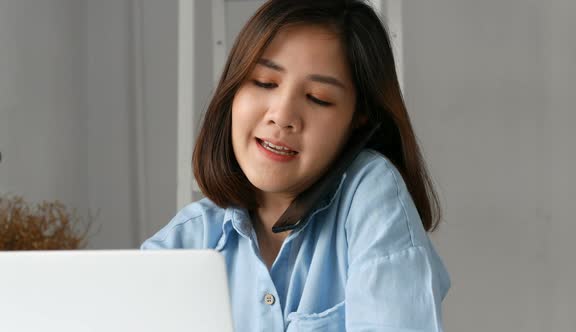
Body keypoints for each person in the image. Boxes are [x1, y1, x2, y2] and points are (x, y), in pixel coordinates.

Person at [141, 0, 451, 330]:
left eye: (318, 97)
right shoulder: (184, 241)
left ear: (359, 118)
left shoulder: (370, 190)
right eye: (263, 82)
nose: (282, 116)